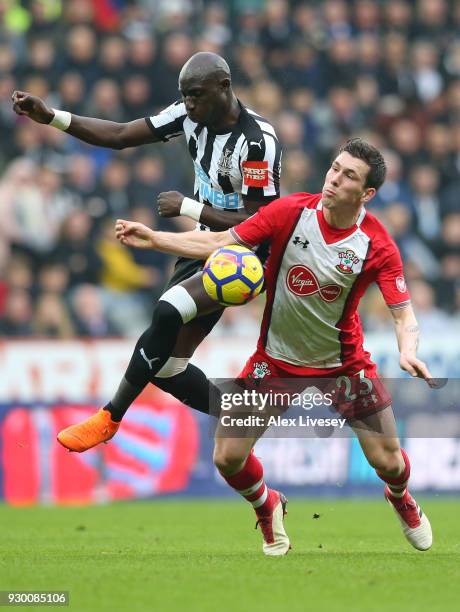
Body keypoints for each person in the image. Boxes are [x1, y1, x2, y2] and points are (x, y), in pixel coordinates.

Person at [114, 138, 435, 556]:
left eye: (349, 176)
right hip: (275, 361)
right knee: (227, 457)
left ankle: (400, 498)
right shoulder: (291, 212)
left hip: (343, 365)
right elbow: (223, 241)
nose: (335, 178)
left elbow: (403, 314)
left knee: (389, 462)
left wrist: (407, 349)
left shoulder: (376, 244)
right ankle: (267, 505)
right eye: (335, 168)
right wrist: (156, 239)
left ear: (367, 193)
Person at [12, 52, 282, 451]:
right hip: (202, 245)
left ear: (224, 88)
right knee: (167, 368)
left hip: (246, 255)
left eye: (196, 96)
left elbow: (260, 220)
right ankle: (241, 411)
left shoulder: (257, 141)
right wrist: (52, 117)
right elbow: (120, 136)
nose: (189, 104)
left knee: (168, 309)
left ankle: (110, 417)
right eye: (185, 96)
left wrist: (186, 207)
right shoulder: (189, 115)